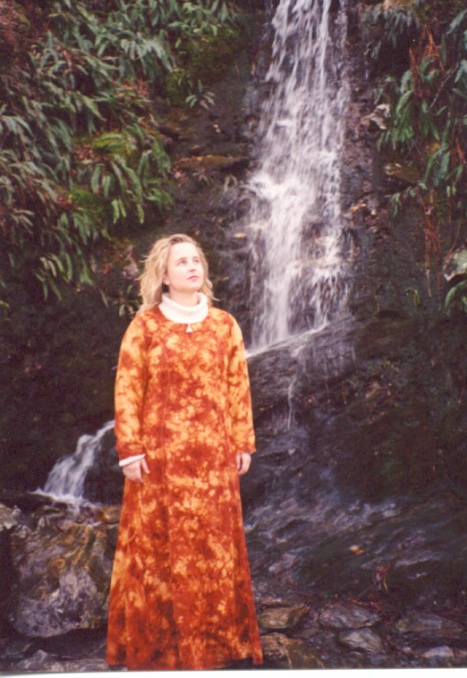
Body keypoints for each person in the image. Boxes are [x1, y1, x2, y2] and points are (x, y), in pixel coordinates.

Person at [106, 233, 263, 671]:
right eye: (181, 262)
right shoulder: (145, 326)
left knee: (214, 551)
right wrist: (130, 450)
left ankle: (215, 645)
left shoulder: (224, 324)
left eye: (197, 260)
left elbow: (238, 386)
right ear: (164, 276)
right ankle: (164, 650)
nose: (193, 267)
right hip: (159, 463)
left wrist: (242, 442)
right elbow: (128, 389)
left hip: (213, 463)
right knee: (158, 555)